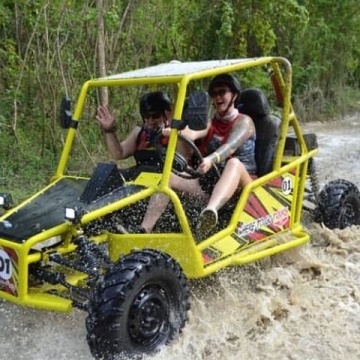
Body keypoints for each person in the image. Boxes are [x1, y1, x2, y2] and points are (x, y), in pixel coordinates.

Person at [123, 74, 257, 238]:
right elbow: (192, 133)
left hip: (246, 185)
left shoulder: (244, 122)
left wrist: (211, 159)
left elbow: (230, 147)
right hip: (212, 181)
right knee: (169, 177)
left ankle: (210, 212)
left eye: (222, 92)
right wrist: (174, 131)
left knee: (233, 163)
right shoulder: (211, 123)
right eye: (214, 94)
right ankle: (143, 231)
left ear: (234, 95)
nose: (218, 97)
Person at [96, 91, 172, 179]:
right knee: (106, 173)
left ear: (165, 115)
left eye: (155, 116)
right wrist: (109, 130)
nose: (151, 120)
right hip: (140, 176)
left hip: (164, 178)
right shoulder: (139, 133)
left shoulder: (174, 133)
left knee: (144, 170)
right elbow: (119, 154)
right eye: (146, 116)